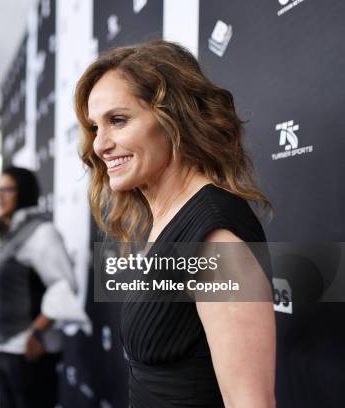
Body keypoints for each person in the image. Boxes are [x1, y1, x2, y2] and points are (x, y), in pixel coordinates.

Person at [74, 40, 276, 407]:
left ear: (174, 118)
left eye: (118, 120)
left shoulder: (215, 237)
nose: (100, 144)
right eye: (94, 126)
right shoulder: (167, 220)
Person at [0, 166, 88, 408]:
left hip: (29, 351)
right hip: (3, 348)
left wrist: (37, 332)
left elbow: (63, 285)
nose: (0, 196)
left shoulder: (42, 232)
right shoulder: (6, 233)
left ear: (24, 192)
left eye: (7, 189)